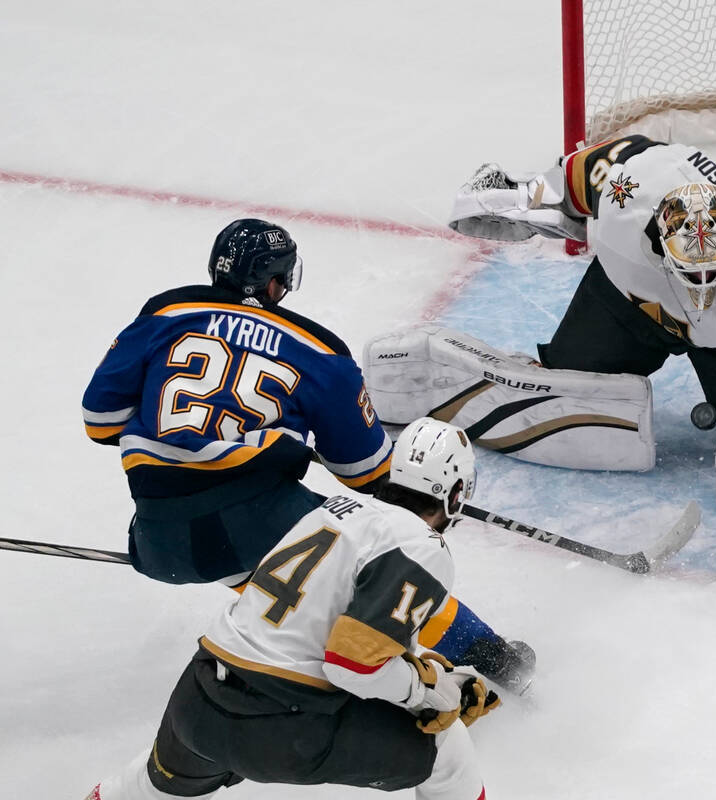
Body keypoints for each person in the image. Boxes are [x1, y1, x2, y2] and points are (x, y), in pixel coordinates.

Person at [363, 136, 716, 503]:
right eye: (688, 270)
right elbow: (568, 184)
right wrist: (514, 199)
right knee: (573, 377)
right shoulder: (626, 187)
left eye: (711, 272)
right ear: (659, 239)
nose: (700, 285)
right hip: (630, 305)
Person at [81, 218, 534, 692]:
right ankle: (498, 661)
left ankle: (288, 613)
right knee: (382, 557)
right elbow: (369, 473)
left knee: (277, 563)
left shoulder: (165, 312)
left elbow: (100, 421)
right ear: (276, 281)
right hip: (254, 523)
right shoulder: (319, 350)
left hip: (156, 541)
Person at [85, 418, 500, 800]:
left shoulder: (332, 511)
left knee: (143, 787)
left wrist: (432, 677)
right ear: (456, 493)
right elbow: (353, 666)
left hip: (198, 699)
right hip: (279, 724)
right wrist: (432, 693)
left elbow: (320, 637)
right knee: (447, 746)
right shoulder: (420, 544)